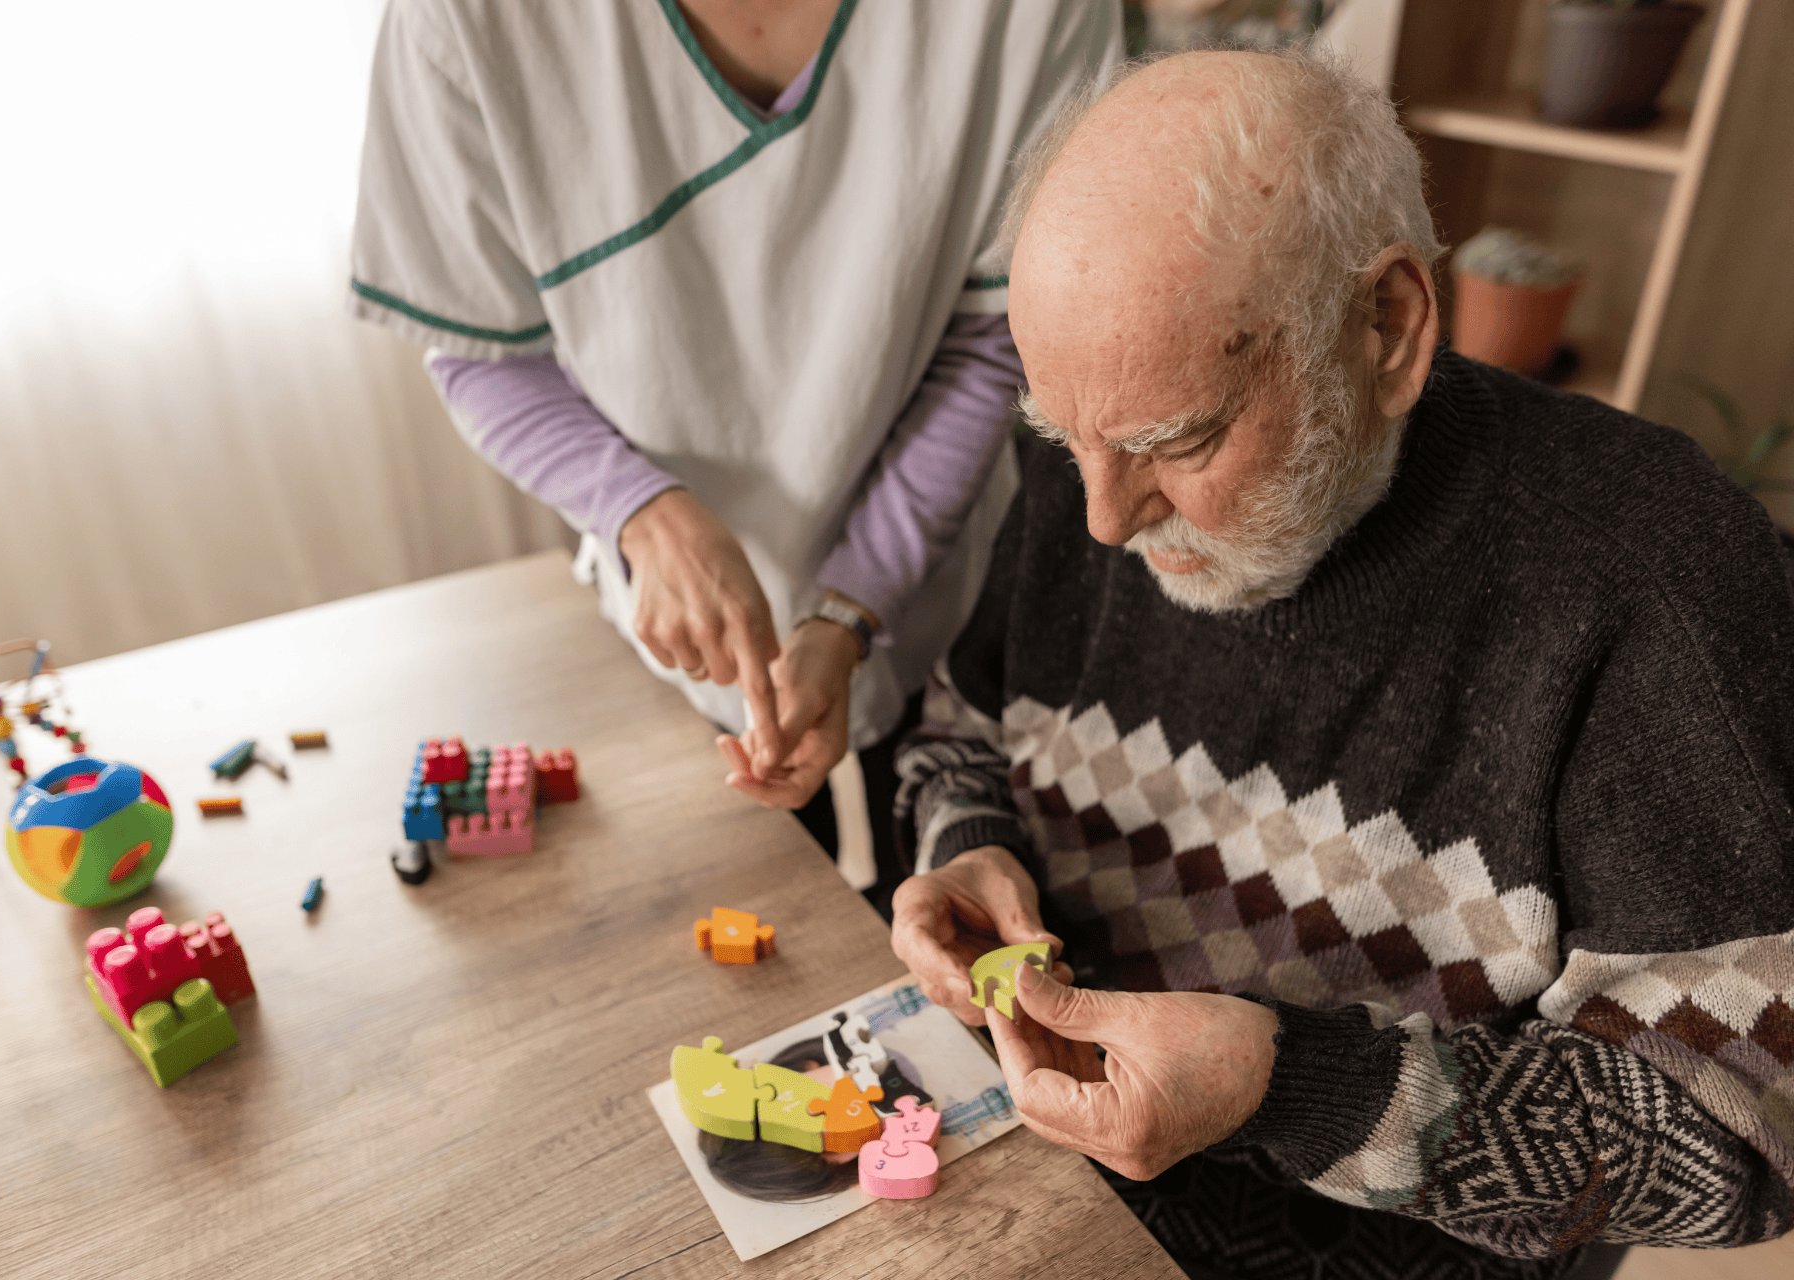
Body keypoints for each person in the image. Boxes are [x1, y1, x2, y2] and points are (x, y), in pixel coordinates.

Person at [890, 46, 1794, 1280]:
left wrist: (1294, 1085)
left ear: (1389, 326)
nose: (1103, 517)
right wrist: (965, 844)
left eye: (1182, 439)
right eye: (1064, 436)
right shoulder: (1104, 440)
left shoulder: (1657, 579)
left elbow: (1740, 1133)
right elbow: (958, 727)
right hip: (1028, 1203)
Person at [347, 0, 1120, 900]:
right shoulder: (460, 22)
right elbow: (483, 350)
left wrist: (852, 606)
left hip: (932, 594)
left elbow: (995, 336)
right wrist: (641, 513)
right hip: (671, 653)